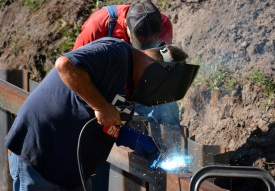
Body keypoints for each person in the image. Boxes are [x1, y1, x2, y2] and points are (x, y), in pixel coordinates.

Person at [5, 37, 194, 190]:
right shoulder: (115, 51)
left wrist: (135, 139)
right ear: (157, 71)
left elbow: (110, 123)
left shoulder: (130, 89)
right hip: (41, 157)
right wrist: (101, 106)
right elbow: (65, 65)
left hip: (71, 171)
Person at [73, 0, 180, 127]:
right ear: (126, 24)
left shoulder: (164, 24)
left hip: (133, 87)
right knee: (107, 128)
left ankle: (172, 141)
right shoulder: (98, 26)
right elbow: (75, 70)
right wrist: (101, 107)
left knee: (165, 102)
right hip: (101, 90)